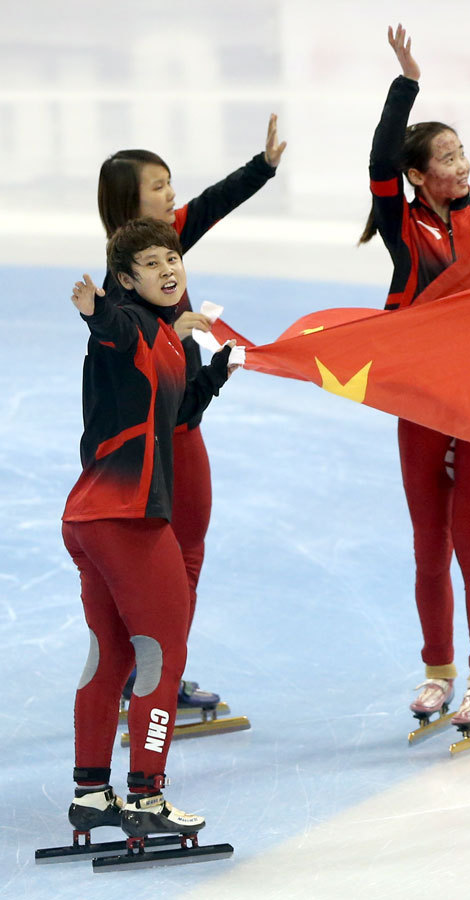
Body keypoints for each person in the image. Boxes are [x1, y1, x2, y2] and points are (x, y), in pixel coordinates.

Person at [97, 114, 285, 711]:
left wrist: (263, 167)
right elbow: (127, 347)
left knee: (176, 553)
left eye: (170, 183)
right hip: (170, 431)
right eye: (160, 186)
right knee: (181, 555)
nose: (172, 194)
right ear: (131, 200)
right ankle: (157, 677)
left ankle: (153, 672)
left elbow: (210, 206)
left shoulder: (157, 247)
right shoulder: (125, 279)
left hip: (179, 418)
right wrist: (172, 329)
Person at [63, 218, 239, 836]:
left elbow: (178, 414)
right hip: (128, 519)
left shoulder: (166, 339)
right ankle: (145, 797)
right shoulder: (130, 325)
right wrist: (96, 312)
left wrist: (215, 373)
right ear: (125, 279)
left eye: (174, 259)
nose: (170, 270)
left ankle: (91, 793)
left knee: (109, 653)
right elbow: (111, 334)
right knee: (162, 654)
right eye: (154, 263)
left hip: (89, 517)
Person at [360, 25, 470, 729]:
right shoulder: (403, 226)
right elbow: (378, 160)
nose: (460, 163)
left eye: (461, 151)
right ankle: (437, 672)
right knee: (428, 545)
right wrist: (406, 83)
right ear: (418, 175)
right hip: (421, 401)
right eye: (445, 157)